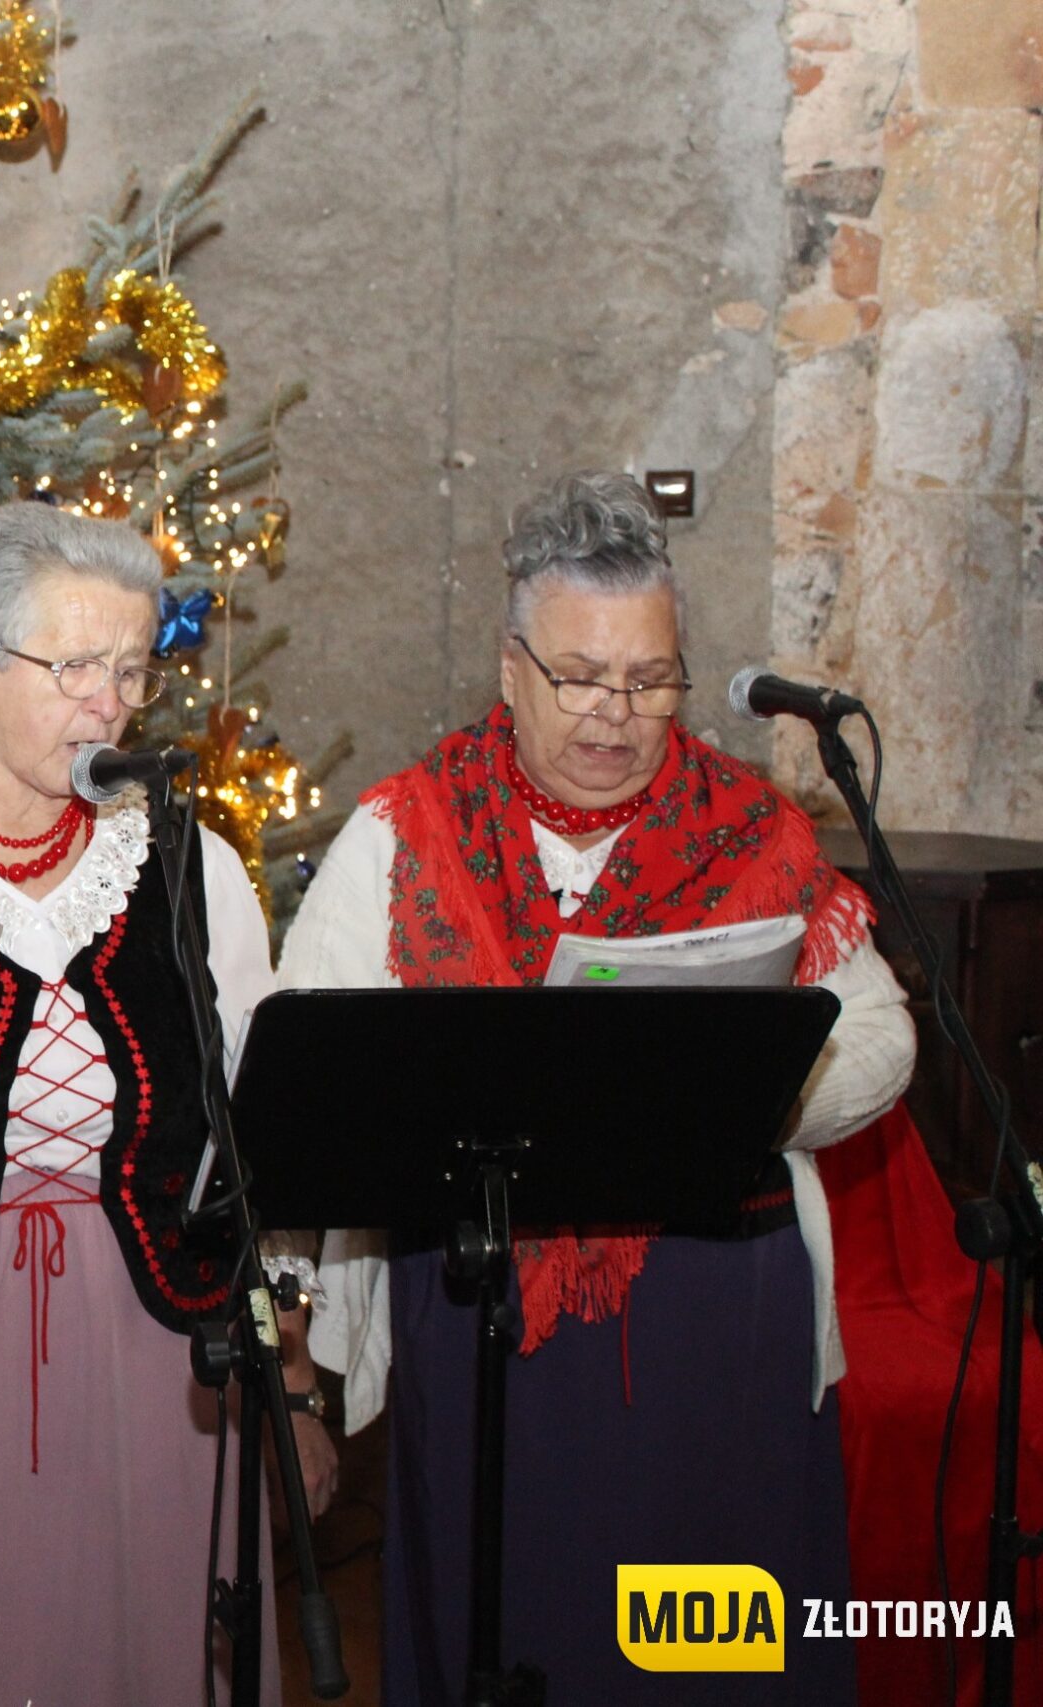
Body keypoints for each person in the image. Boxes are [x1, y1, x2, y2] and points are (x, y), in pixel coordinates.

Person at [281, 472, 916, 1704]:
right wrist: (296, 1352)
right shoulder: (408, 833)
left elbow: (883, 1037)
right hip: (483, 1317)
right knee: (511, 1628)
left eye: (648, 681)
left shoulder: (752, 831)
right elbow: (304, 1088)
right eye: (578, 677)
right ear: (509, 668)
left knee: (707, 1650)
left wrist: (748, 1095)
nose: (613, 716)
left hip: (716, 1311)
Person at [0, 504, 331, 1707]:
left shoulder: (192, 865)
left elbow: (255, 1146)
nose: (108, 707)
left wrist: (292, 1381)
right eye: (75, 667)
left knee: (153, 1654)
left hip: (163, 1352)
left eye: (131, 671)